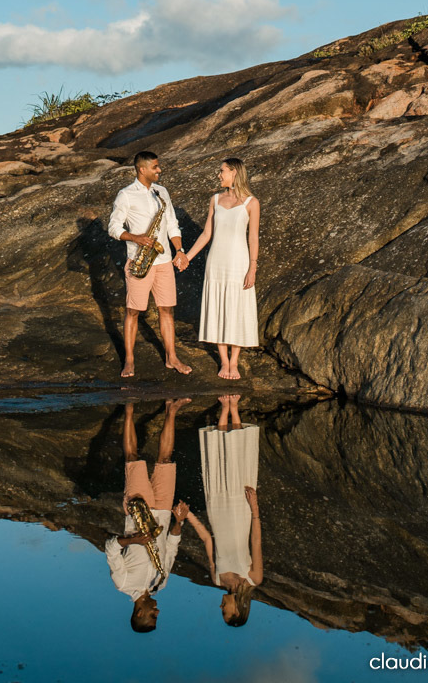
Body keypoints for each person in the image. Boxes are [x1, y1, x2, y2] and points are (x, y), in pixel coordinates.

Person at [105, 399, 192, 632]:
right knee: (165, 460)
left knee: (133, 458)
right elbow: (171, 548)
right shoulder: (160, 584)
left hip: (138, 512)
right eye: (157, 616)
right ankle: (171, 410)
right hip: (163, 514)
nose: (157, 612)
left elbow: (111, 548)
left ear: (139, 613)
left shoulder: (122, 584)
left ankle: (130, 407)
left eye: (152, 616)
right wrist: (179, 521)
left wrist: (134, 540)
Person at [108, 150, 192, 378]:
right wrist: (136, 238)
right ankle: (130, 360)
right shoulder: (125, 195)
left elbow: (172, 223)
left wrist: (179, 250)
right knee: (133, 311)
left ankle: (171, 357)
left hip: (163, 260)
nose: (159, 170)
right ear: (142, 169)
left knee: (167, 310)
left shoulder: (161, 192)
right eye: (155, 167)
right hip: (139, 260)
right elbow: (113, 228)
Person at [184, 395, 263, 626]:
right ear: (238, 610)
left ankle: (223, 409)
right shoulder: (253, 578)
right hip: (241, 514)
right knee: (238, 466)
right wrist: (254, 507)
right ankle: (235, 408)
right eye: (224, 611)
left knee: (218, 467)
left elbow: (208, 540)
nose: (220, 607)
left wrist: (188, 516)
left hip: (217, 512)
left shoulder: (217, 579)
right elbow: (256, 541)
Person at [184, 157, 259, 380]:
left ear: (234, 172)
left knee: (237, 308)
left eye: (222, 171)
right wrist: (187, 257)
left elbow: (253, 237)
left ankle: (234, 362)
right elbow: (207, 234)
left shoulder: (251, 202)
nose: (219, 175)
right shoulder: (215, 200)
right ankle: (223, 361)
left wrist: (252, 268)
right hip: (216, 261)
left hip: (239, 262)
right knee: (218, 307)